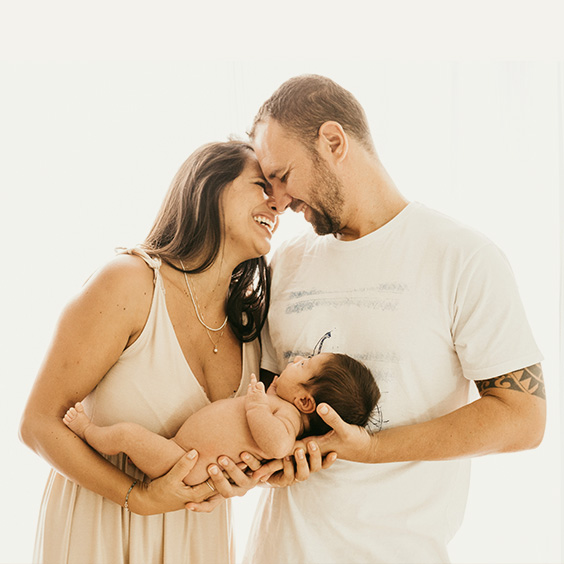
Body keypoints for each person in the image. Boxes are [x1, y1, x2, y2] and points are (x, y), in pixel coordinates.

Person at [243, 75, 546, 564]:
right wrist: (266, 461)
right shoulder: (287, 261)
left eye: (282, 175)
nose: (277, 200)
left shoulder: (463, 258)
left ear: (333, 141)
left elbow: (523, 418)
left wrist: (371, 448)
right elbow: (263, 402)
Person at [19, 140, 282, 564]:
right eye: (261, 186)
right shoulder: (130, 283)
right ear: (210, 187)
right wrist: (137, 497)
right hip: (104, 529)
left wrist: (242, 478)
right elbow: (37, 424)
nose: (278, 204)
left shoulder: (251, 329)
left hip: (198, 538)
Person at [62, 352, 380, 486]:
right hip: (179, 452)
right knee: (134, 438)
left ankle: (87, 430)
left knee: (127, 435)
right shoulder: (281, 404)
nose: (296, 358)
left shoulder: (287, 420)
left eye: (304, 364)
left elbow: (278, 446)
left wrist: (256, 406)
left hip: (185, 464)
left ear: (305, 402)